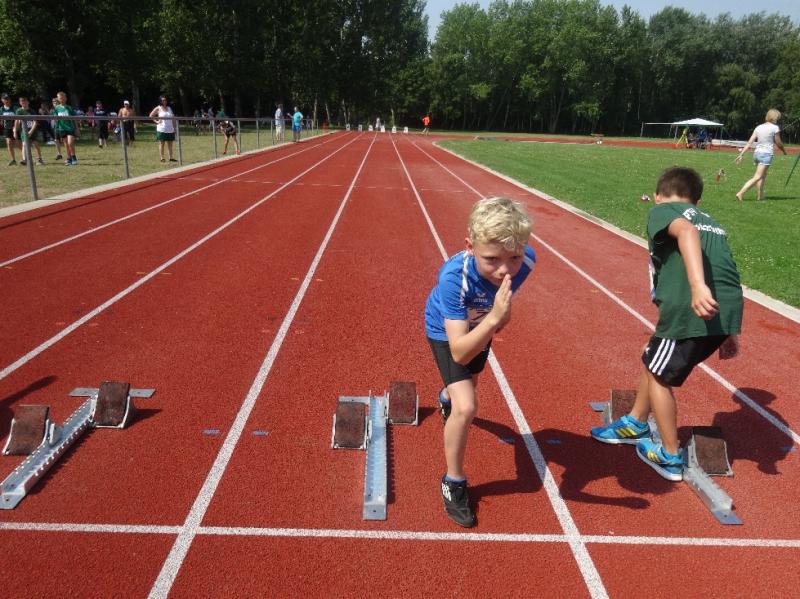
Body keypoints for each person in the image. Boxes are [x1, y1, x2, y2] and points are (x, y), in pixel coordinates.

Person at [590, 167, 743, 481]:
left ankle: (670, 455)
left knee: (659, 376)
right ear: (697, 201)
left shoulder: (663, 211)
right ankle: (635, 421)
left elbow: (686, 233)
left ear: (658, 195)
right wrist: (729, 330)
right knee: (652, 356)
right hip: (724, 310)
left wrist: (697, 287)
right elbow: (726, 267)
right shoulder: (713, 223)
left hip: (691, 310)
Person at [424, 197, 537, 527]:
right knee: (467, 406)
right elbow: (459, 351)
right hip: (447, 331)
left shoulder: (527, 262)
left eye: (514, 257)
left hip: (482, 322)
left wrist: (496, 318)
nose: (505, 270)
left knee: (466, 386)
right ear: (470, 247)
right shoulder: (453, 278)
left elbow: (501, 311)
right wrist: (495, 319)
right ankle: (453, 482)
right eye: (492, 259)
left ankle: (446, 395)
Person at [735, 108, 788, 202]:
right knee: (758, 176)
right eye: (777, 117)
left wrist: (741, 154)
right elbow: (778, 142)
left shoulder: (758, 127)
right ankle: (740, 193)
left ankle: (760, 196)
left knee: (762, 175)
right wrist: (783, 150)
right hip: (766, 154)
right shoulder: (775, 128)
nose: (778, 119)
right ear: (773, 117)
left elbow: (749, 142)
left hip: (757, 154)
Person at [14, 96, 44, 165]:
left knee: (35, 144)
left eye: (25, 101)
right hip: (23, 130)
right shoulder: (19, 111)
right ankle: (25, 159)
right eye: (22, 102)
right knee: (24, 144)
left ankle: (39, 158)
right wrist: (15, 131)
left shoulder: (31, 111)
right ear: (20, 103)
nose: (23, 103)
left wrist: (31, 131)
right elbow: (17, 121)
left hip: (32, 130)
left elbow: (35, 122)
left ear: (28, 102)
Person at [54, 91, 80, 165]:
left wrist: (77, 129)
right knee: (66, 144)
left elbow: (75, 119)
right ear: (58, 99)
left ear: (66, 98)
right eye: (60, 98)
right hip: (62, 129)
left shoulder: (69, 108)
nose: (62, 99)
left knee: (70, 142)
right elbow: (55, 118)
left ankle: (73, 156)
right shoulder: (56, 108)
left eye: (63, 98)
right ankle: (69, 158)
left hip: (70, 128)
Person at [149, 95, 177, 162]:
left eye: (165, 100)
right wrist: (157, 121)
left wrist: (175, 127)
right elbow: (151, 115)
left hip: (170, 129)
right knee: (162, 143)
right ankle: (162, 158)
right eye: (163, 100)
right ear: (160, 101)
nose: (164, 101)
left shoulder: (169, 108)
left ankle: (171, 157)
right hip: (162, 129)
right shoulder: (158, 108)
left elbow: (173, 118)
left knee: (170, 144)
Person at [2, 92, 21, 165]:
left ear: (10, 99)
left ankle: (27, 156)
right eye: (5, 99)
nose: (7, 100)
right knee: (9, 143)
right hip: (7, 128)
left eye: (8, 98)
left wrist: (15, 128)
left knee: (18, 144)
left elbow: (18, 118)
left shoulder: (15, 107)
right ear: (2, 100)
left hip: (16, 128)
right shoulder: (1, 109)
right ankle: (13, 160)